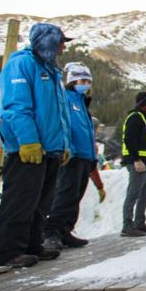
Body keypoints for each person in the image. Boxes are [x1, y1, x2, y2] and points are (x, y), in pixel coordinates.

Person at [0, 22, 72, 267]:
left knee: (40, 202)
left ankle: (32, 245)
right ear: (46, 41)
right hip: (28, 150)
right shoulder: (21, 65)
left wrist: (63, 144)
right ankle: (5, 251)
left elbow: (59, 113)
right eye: (60, 41)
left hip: (49, 150)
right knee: (20, 200)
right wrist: (28, 141)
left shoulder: (51, 71)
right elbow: (16, 107)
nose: (63, 47)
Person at [43, 62, 104, 250]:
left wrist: (93, 159)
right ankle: (51, 232)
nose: (84, 84)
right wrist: (67, 148)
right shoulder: (66, 98)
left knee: (76, 196)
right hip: (72, 156)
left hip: (85, 157)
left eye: (87, 81)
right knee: (64, 195)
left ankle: (65, 230)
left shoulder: (82, 103)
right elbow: (64, 126)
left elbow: (86, 133)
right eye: (81, 80)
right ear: (71, 81)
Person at [121, 91, 146, 237]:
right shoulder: (135, 118)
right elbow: (129, 139)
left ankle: (139, 222)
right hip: (138, 163)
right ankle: (127, 225)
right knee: (133, 193)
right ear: (144, 103)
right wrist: (136, 159)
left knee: (145, 194)